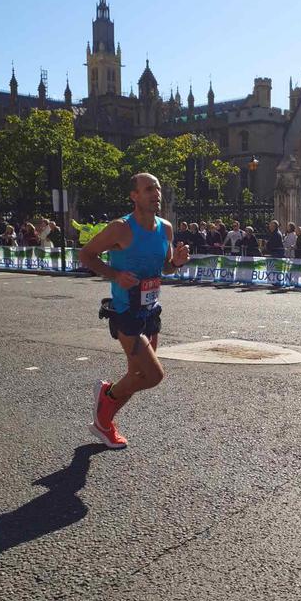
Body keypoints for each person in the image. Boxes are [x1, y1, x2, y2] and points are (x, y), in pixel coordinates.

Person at [79, 172, 190, 449]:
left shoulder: (165, 228)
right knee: (153, 376)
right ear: (134, 196)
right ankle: (107, 397)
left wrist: (174, 263)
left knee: (136, 375)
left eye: (158, 189)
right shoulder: (120, 228)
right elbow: (86, 255)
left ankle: (103, 424)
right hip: (126, 311)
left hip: (150, 310)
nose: (156, 194)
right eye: (149, 189)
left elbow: (162, 268)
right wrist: (115, 275)